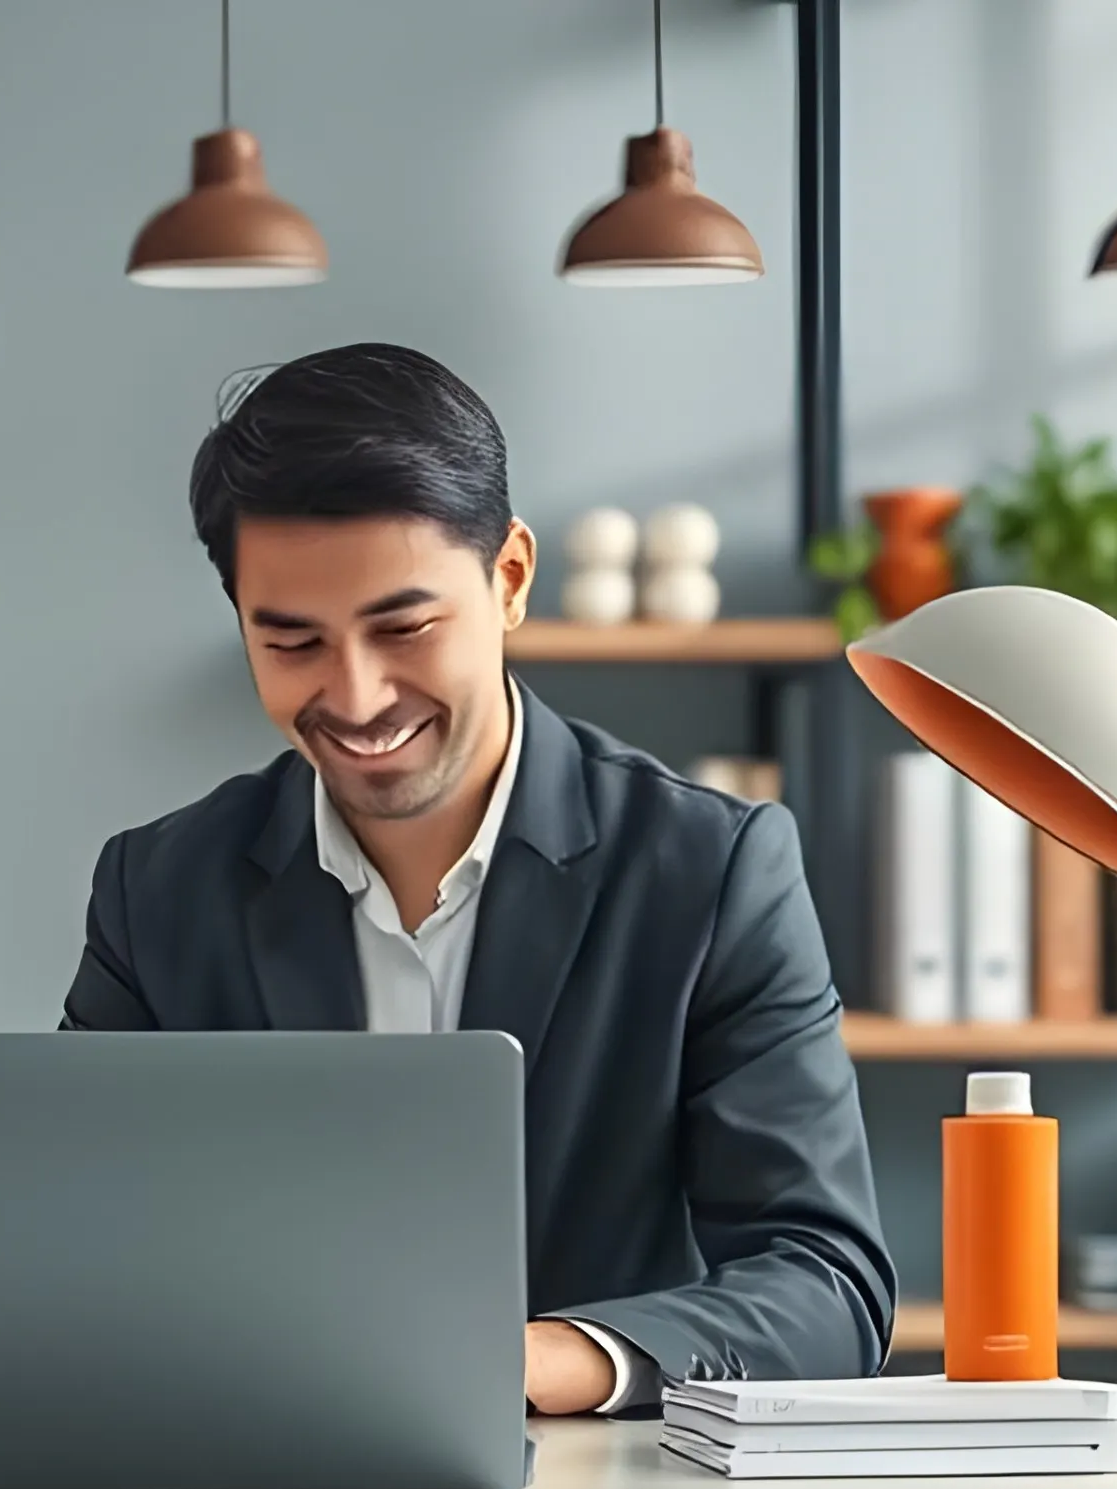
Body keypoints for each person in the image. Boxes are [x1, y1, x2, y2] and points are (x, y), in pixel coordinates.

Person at [62, 343, 895, 1414]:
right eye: (293, 641)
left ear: (508, 578)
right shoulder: (158, 888)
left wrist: (533, 1360)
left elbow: (828, 1285)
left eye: (403, 628)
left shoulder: (711, 870)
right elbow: (77, 1240)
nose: (356, 694)